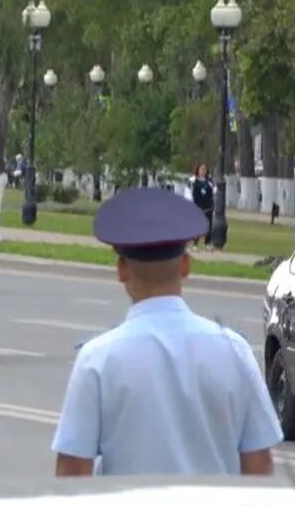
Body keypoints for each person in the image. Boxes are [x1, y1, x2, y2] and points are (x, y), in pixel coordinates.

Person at [52, 187, 282, 477]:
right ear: (185, 266)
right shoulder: (234, 351)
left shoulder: (98, 360)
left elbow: (72, 469)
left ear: (121, 269)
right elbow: (258, 463)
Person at [190, 163, 214, 247]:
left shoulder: (209, 182)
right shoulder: (193, 181)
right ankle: (195, 244)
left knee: (208, 226)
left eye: (204, 169)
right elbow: (189, 192)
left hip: (207, 207)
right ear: (198, 170)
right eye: (201, 169)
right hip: (196, 206)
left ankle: (207, 243)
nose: (203, 171)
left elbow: (213, 193)